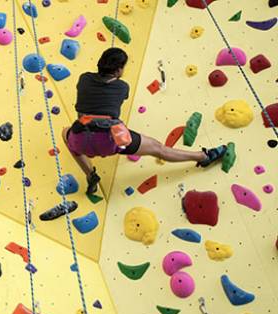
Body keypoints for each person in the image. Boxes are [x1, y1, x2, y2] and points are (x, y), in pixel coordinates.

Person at [39, 47, 229, 221]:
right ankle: (203, 156)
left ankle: (90, 174)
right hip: (110, 141)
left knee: (66, 134)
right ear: (119, 69)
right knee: (158, 148)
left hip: (81, 138)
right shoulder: (122, 87)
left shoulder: (84, 78)